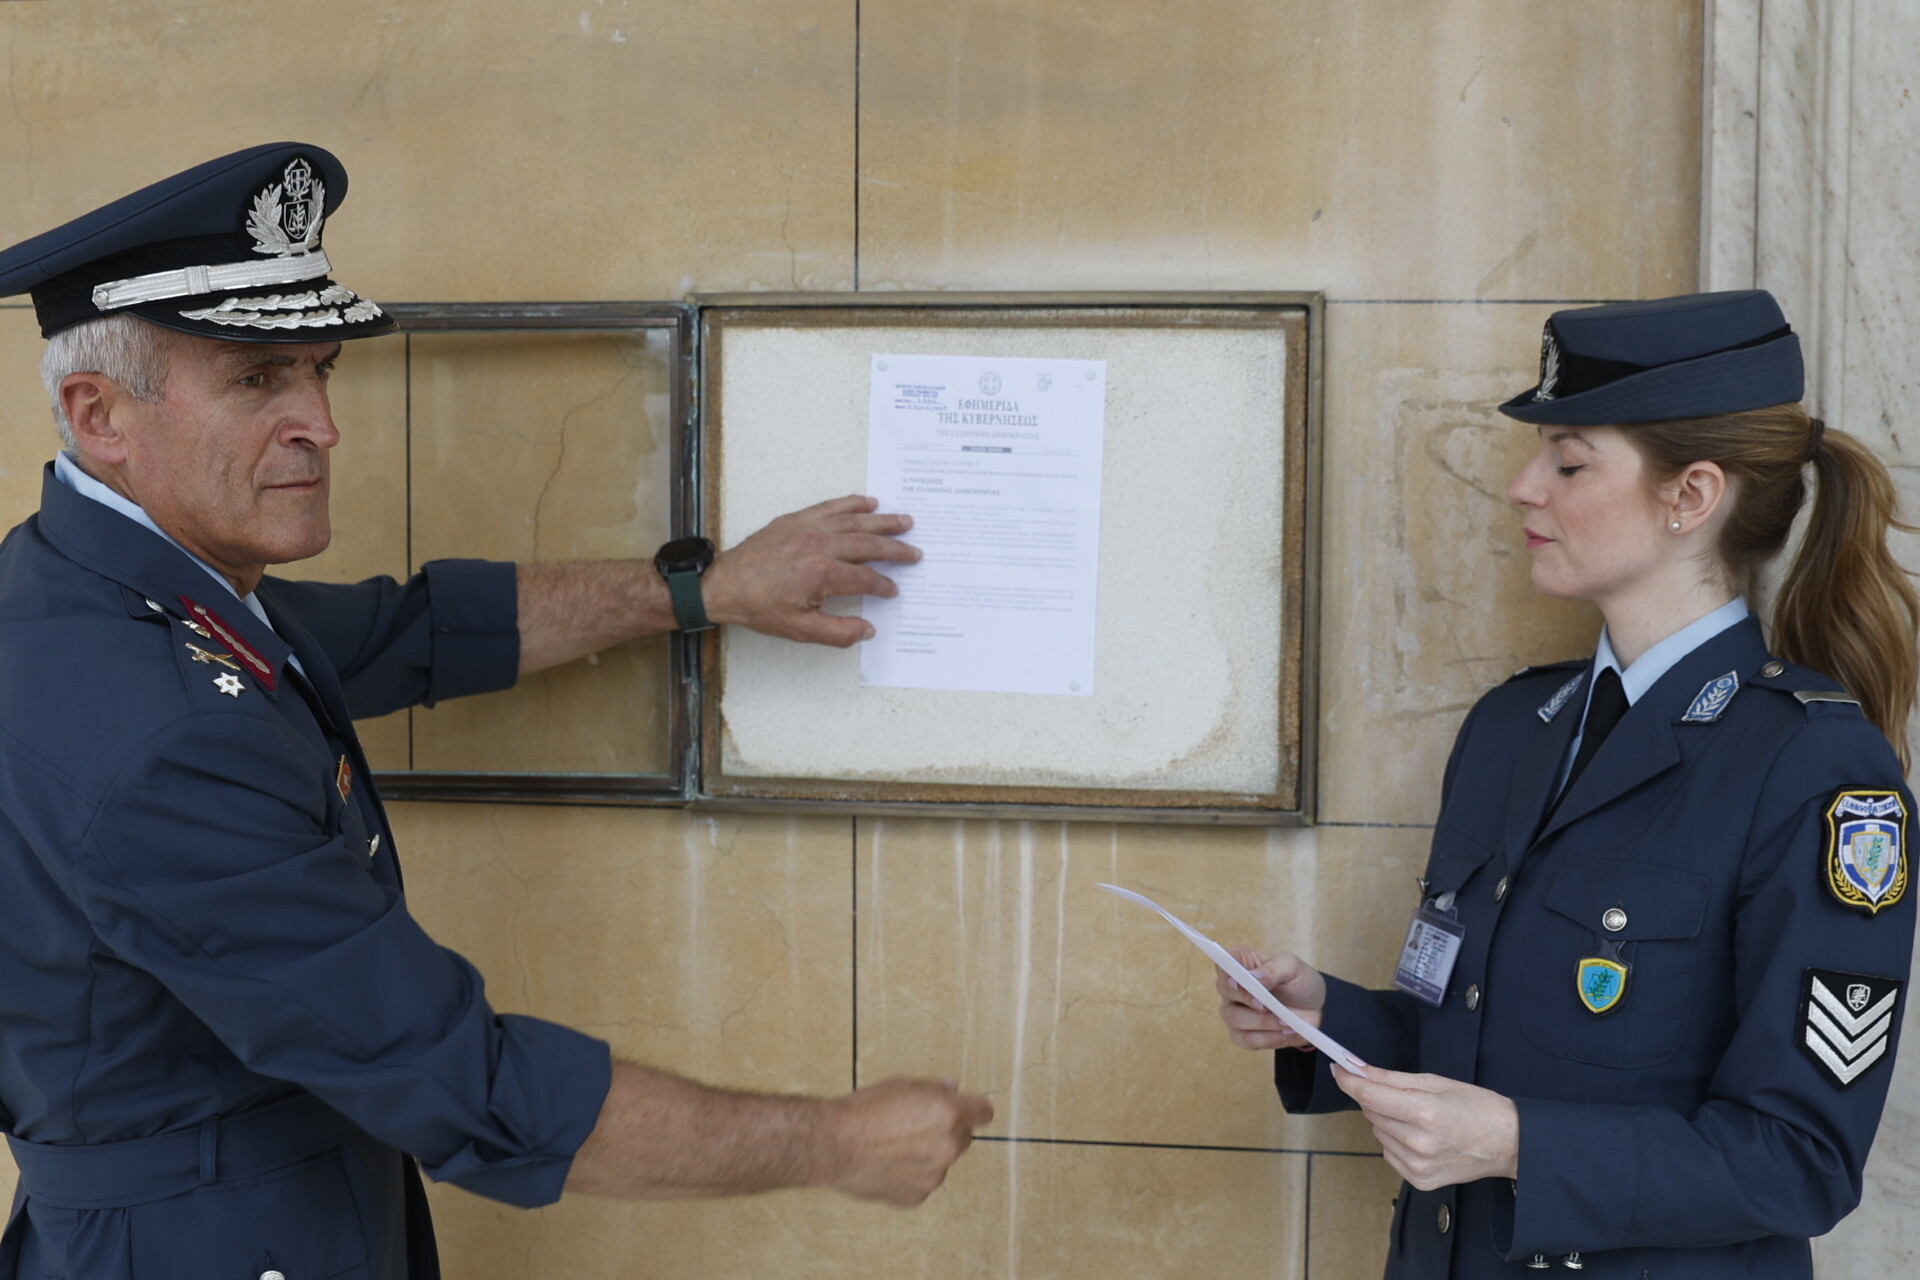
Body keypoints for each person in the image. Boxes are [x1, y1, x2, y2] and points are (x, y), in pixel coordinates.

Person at [0, 143, 991, 1280]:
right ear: (98, 412)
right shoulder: (158, 729)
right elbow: (461, 1081)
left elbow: (415, 631)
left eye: (320, 371)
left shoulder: (97, 588)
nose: (323, 425)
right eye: (256, 380)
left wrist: (701, 589)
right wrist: (837, 1141)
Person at [1216, 290, 1919, 1277]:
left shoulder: (1812, 768)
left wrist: (1514, 1143)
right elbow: (1480, 1034)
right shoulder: (1513, 728)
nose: (1521, 487)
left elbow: (1798, 1160)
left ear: (1691, 496)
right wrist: (1326, 1015)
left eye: (1570, 460)